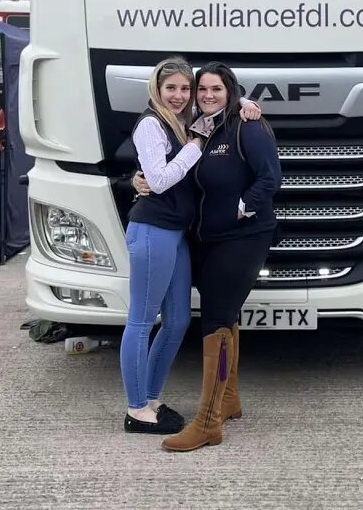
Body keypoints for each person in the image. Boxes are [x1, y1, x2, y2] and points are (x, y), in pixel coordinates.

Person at [120, 57, 261, 435]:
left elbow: (220, 99)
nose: (181, 96)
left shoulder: (183, 121)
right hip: (152, 229)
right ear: (157, 89)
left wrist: (244, 102)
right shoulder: (152, 124)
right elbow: (161, 180)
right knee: (141, 320)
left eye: (186, 88)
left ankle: (152, 398)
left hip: (176, 233)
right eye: (172, 89)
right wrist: (194, 147)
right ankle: (137, 409)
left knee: (179, 319)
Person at [155, 61, 282, 452]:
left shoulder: (248, 126)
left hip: (243, 237)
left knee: (216, 322)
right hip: (207, 239)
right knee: (224, 319)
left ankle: (208, 421)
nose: (208, 96)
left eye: (217, 90)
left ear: (230, 92)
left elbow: (271, 176)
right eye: (203, 90)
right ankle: (228, 400)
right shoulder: (199, 128)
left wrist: (243, 207)